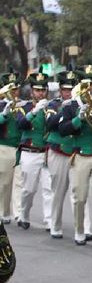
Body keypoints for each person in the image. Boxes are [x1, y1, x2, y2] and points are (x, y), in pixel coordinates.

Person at [59, 65, 92, 247]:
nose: (90, 88)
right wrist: (77, 119)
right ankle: (80, 229)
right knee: (79, 198)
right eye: (85, 84)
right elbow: (63, 130)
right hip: (79, 156)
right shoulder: (71, 105)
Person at [16, 69, 54, 230]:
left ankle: (50, 220)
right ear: (31, 91)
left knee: (49, 188)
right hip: (30, 152)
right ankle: (24, 214)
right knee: (29, 189)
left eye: (43, 90)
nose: (40, 93)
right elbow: (21, 125)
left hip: (47, 152)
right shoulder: (23, 107)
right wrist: (35, 110)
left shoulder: (52, 106)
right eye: (37, 90)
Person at [46, 70, 79, 239]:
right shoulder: (54, 104)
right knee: (58, 191)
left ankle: (81, 229)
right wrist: (63, 112)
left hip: (76, 151)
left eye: (72, 88)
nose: (69, 92)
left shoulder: (80, 104)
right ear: (60, 90)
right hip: (58, 151)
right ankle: (55, 225)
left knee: (78, 193)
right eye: (66, 89)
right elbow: (50, 123)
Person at [0, 71, 22, 224]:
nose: (14, 92)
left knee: (19, 183)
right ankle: (3, 211)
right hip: (5, 146)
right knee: (5, 182)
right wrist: (4, 114)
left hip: (20, 147)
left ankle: (18, 213)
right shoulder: (2, 105)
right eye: (11, 89)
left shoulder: (22, 105)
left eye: (16, 89)